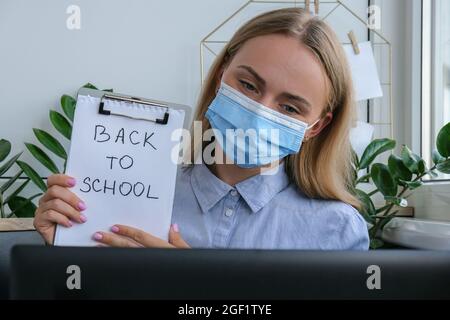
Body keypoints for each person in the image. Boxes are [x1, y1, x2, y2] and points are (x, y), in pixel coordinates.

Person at [34, 7, 369, 250]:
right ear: (222, 73)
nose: (258, 112)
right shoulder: (128, 197)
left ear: (316, 127)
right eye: (249, 85)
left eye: (290, 107)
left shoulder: (336, 230)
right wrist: (63, 250)